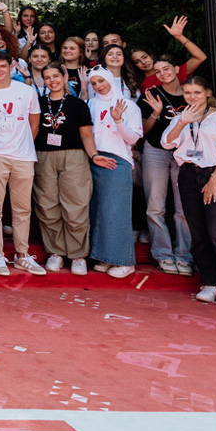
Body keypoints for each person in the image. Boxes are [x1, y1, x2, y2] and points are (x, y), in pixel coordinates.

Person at [162, 75, 216, 309]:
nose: (192, 97)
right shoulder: (182, 116)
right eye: (188, 92)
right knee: (199, 234)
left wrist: (214, 179)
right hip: (188, 174)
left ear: (208, 93)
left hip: (214, 173)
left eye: (197, 93)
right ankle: (212, 282)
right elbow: (167, 142)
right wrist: (182, 122)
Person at [0, 49, 46, 277]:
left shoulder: (26, 91)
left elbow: (34, 124)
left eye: (2, 66)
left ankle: (22, 255)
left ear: (11, 66)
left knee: (22, 209)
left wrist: (21, 144)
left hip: (23, 155)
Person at [33, 64, 106, 275]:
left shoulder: (78, 105)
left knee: (76, 205)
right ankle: (56, 253)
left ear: (64, 77)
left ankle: (77, 255)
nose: (52, 80)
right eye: (47, 77)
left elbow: (86, 135)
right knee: (47, 205)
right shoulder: (38, 104)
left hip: (74, 156)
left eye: (56, 75)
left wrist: (94, 155)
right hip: (44, 156)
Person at [138, 54, 195, 275]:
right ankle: (162, 253)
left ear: (176, 68)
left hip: (185, 155)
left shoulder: (191, 94)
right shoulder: (151, 94)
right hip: (156, 151)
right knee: (155, 206)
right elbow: (142, 131)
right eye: (157, 71)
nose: (162, 74)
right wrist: (156, 113)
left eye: (166, 69)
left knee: (183, 209)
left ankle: (184, 255)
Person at [86, 66, 144, 278]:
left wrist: (118, 120)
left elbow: (133, 138)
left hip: (117, 160)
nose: (98, 86)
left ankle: (125, 261)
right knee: (98, 210)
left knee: (116, 211)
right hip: (94, 158)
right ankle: (105, 257)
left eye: (101, 81)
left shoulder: (127, 105)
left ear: (111, 79)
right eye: (94, 83)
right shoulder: (90, 103)